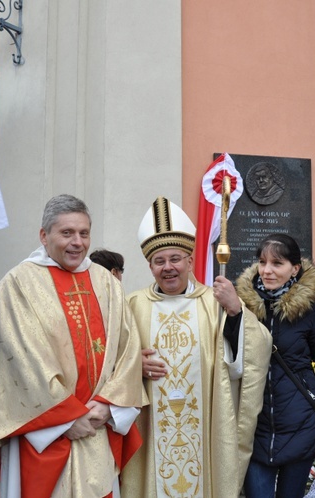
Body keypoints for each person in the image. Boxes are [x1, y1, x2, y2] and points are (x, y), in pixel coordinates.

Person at [0, 194, 145, 498]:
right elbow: (21, 360)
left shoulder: (106, 282)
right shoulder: (18, 283)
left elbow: (127, 349)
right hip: (44, 435)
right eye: (67, 233)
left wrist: (109, 404)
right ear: (44, 235)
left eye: (84, 233)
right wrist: (66, 419)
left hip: (97, 427)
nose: (77, 242)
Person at [121, 196, 272, 498]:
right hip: (151, 430)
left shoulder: (213, 302)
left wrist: (236, 313)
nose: (168, 268)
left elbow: (257, 347)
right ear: (149, 265)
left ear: (190, 261)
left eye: (175, 259)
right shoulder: (133, 305)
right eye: (159, 261)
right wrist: (133, 364)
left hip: (203, 427)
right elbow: (112, 359)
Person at [234, 234, 315, 498]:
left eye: (277, 263)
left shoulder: (313, 309)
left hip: (300, 425)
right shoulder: (240, 307)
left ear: (295, 268)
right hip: (255, 427)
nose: (267, 270)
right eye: (262, 262)